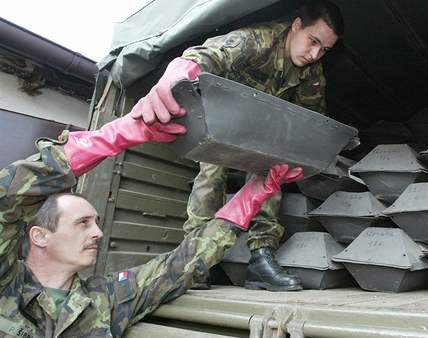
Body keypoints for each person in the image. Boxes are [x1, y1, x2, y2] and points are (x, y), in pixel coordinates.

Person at [0, 102, 302, 336]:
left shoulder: (109, 299)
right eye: (82, 223)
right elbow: (8, 198)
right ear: (39, 235)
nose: (98, 233)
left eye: (96, 223)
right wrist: (119, 135)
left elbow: (184, 262)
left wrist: (254, 194)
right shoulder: (6, 285)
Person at [131, 0, 344, 291]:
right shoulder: (255, 41)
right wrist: (175, 76)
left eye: (325, 50)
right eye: (313, 41)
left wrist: (301, 156)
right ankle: (194, 262)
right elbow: (201, 56)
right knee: (211, 175)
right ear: (296, 25)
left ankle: (261, 259)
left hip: (265, 129)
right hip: (223, 120)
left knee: (273, 169)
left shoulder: (312, 75)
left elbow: (310, 119)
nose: (315, 54)